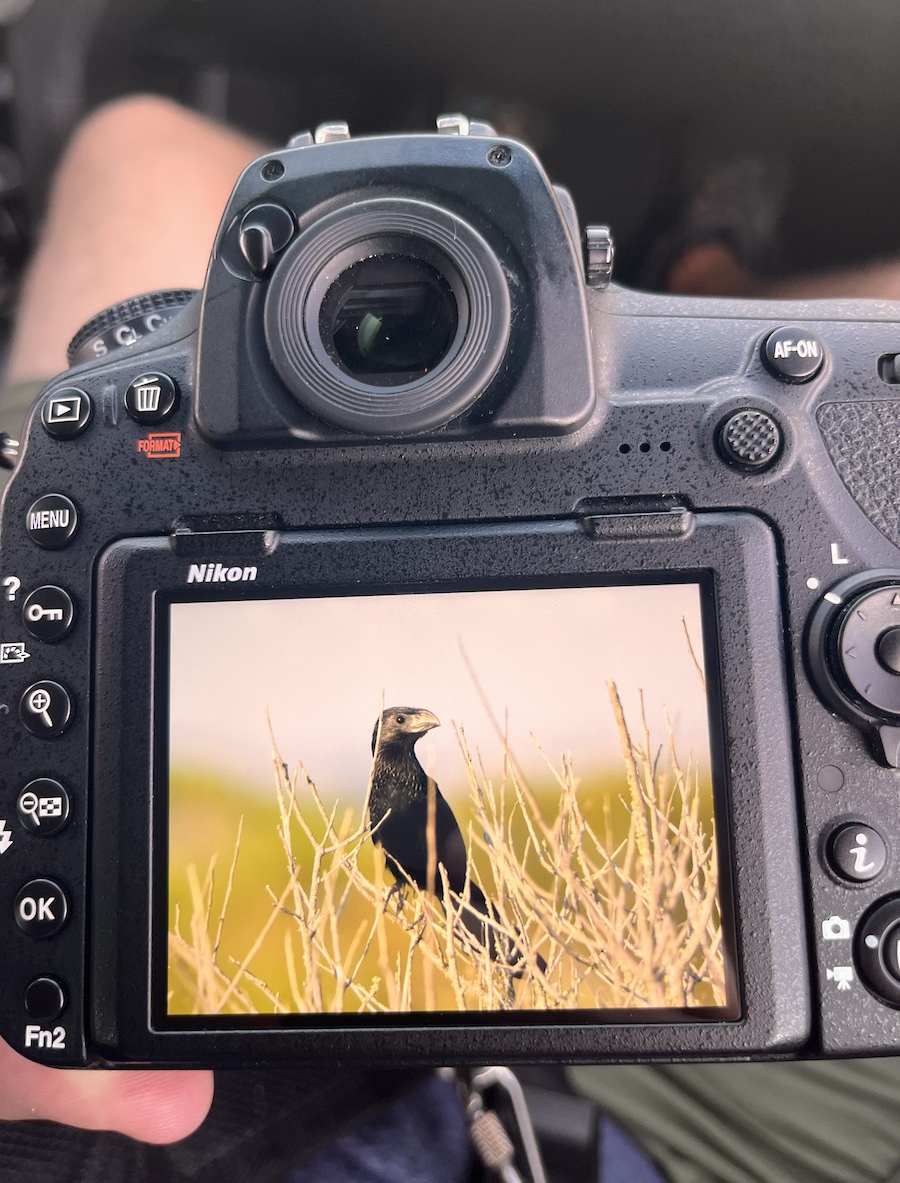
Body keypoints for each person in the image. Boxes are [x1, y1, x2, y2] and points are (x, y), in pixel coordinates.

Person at [4, 95, 900, 1183]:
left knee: (140, 145)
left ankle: (697, 274)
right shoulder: (391, 786)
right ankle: (705, 281)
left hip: (306, 1111)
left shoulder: (398, 784)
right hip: (643, 1138)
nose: (425, 723)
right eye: (412, 718)